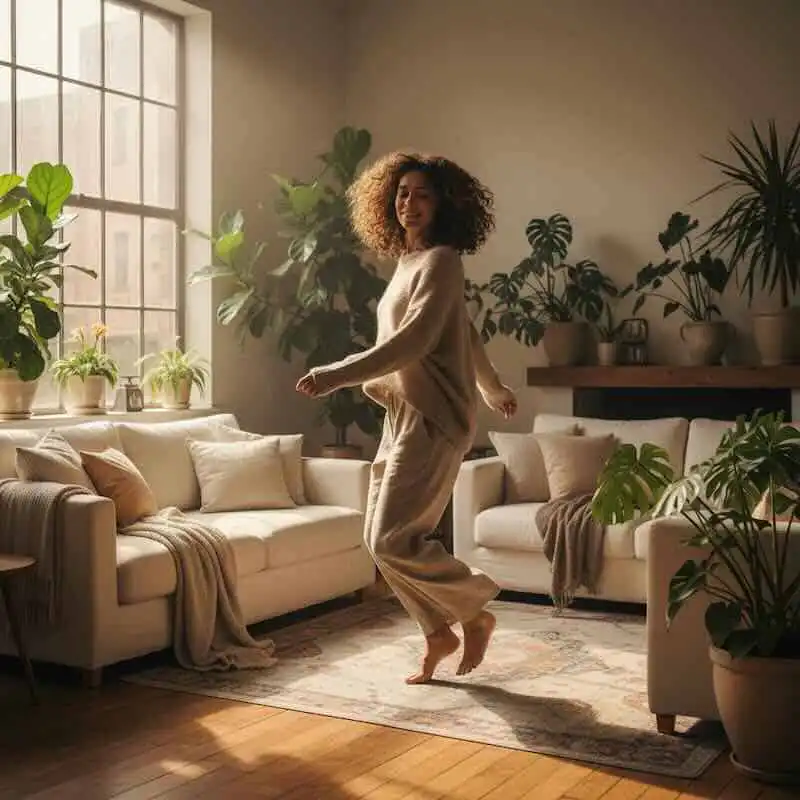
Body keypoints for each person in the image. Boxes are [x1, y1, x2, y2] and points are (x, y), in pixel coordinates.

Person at [295, 152, 517, 684]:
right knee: (378, 539)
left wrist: (335, 373)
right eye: (401, 193)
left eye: (422, 194)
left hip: (434, 417)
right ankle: (437, 631)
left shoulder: (443, 260)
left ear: (444, 204)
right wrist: (493, 386)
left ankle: (474, 609)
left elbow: (413, 341)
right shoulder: (409, 263)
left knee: (392, 538)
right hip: (401, 413)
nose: (408, 203)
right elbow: (463, 330)